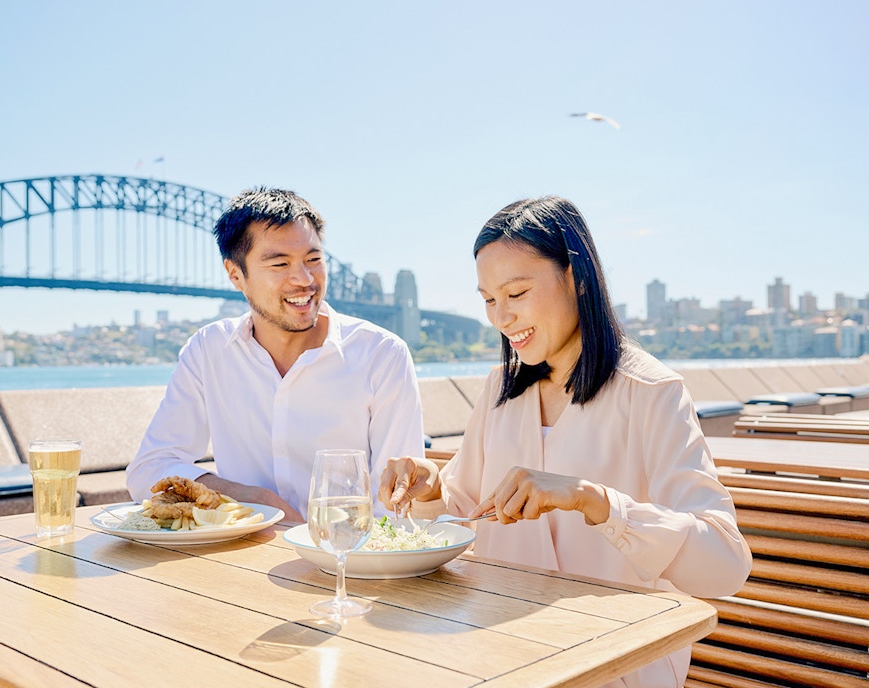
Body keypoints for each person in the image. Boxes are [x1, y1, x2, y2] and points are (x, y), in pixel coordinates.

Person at [378, 196, 751, 688]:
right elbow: (464, 504)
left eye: (516, 293)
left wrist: (592, 500)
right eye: (489, 300)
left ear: (577, 278)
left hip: (614, 666)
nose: (501, 318)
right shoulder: (499, 389)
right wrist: (429, 490)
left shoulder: (652, 393)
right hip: (501, 656)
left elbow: (726, 567)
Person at [128, 187, 426, 523]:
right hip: (238, 558)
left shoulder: (382, 355)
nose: (304, 279)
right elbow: (148, 469)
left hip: (347, 561)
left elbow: (396, 507)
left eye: (314, 260)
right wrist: (254, 498)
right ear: (235, 275)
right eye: (280, 263)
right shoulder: (208, 350)